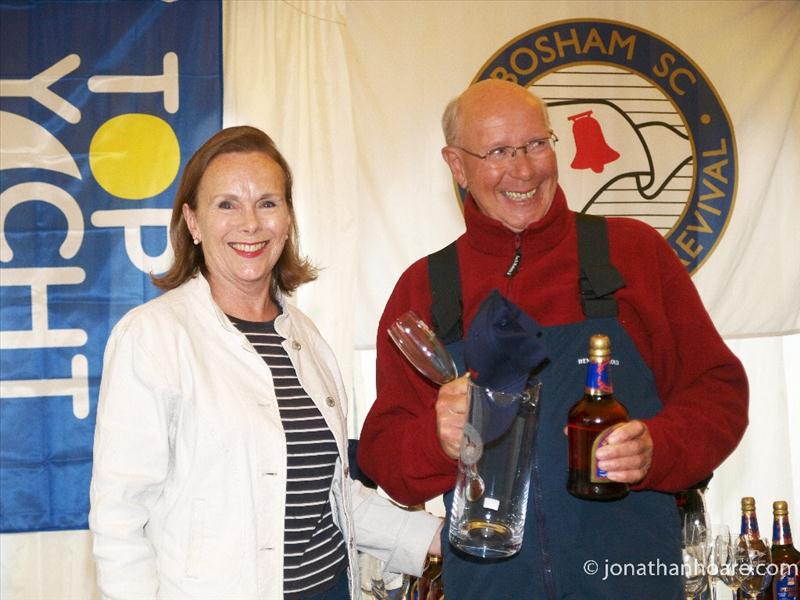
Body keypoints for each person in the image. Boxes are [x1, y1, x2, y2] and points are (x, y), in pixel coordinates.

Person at [357, 80, 749, 599]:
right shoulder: (426, 288)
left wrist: (660, 447)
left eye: (536, 144)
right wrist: (437, 438)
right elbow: (385, 457)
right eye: (498, 151)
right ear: (456, 165)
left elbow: (718, 391)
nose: (524, 170)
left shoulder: (631, 255)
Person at [89, 126, 442, 600]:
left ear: (289, 217)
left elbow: (332, 495)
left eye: (268, 203)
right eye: (227, 204)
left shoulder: (307, 339)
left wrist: (438, 537)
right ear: (192, 222)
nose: (250, 223)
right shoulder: (152, 336)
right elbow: (120, 519)